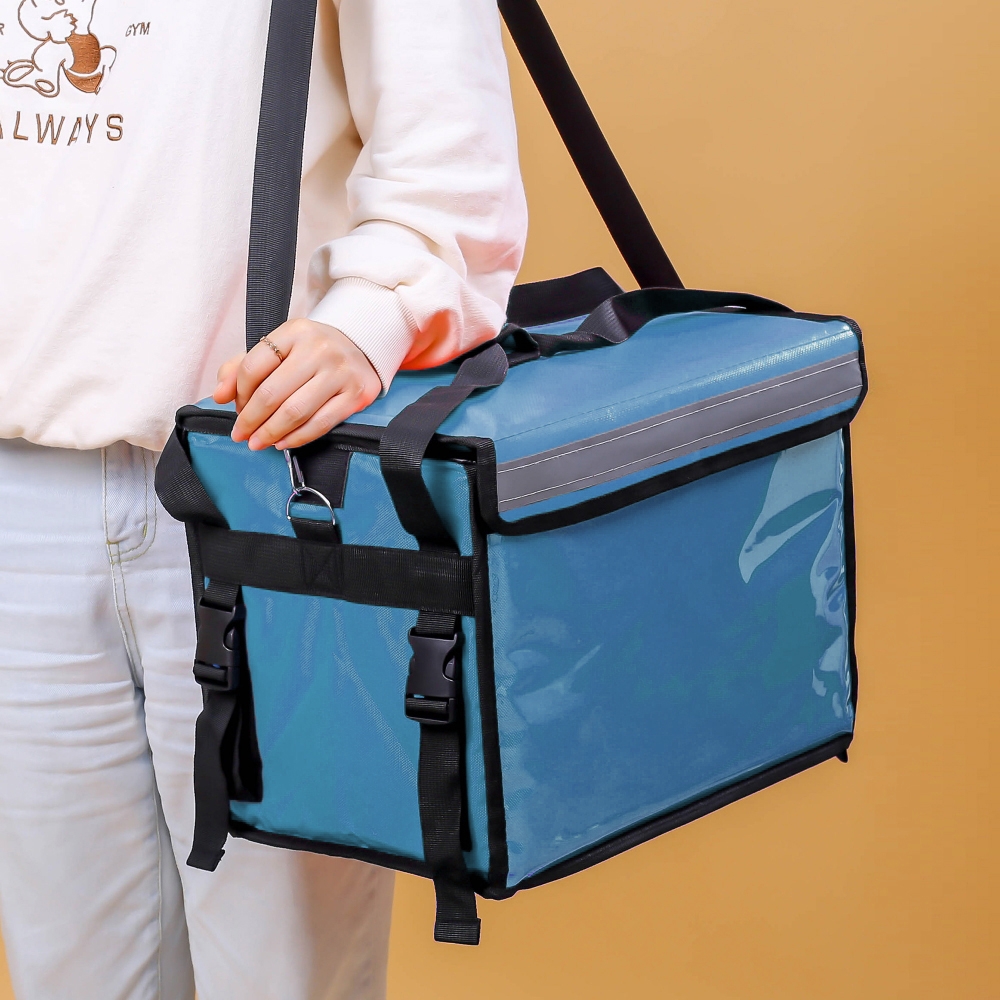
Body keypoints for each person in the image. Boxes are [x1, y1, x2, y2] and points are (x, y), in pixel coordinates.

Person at [0, 0, 527, 996]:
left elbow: (449, 154)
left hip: (265, 484)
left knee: (284, 975)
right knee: (69, 973)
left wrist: (369, 318)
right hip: (16, 488)